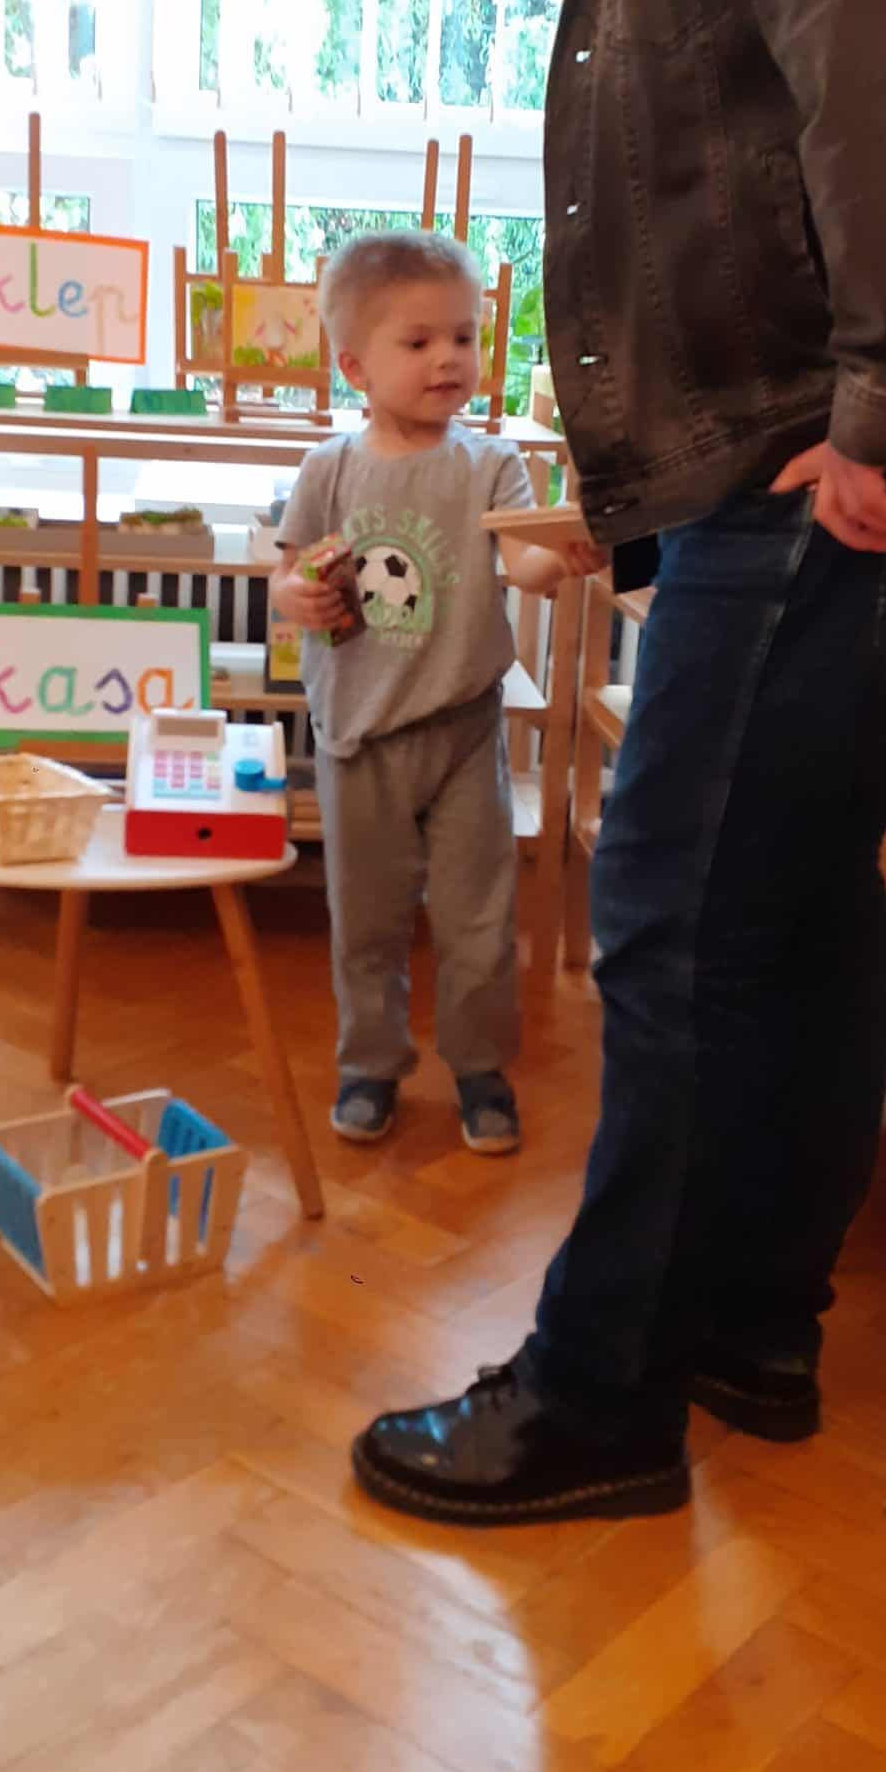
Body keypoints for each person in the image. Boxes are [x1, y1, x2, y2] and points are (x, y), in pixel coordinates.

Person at [349, 0, 886, 1527]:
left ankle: (599, 1400)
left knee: (669, 908)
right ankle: (746, 1328)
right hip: (787, 448)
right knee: (783, 904)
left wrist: (885, 393)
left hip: (820, 450)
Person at [272, 231, 586, 1153]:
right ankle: (370, 1064)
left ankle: (480, 1069)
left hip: (461, 730)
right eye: (418, 342)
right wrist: (295, 595)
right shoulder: (329, 468)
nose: (448, 358)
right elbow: (287, 576)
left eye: (463, 337)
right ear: (354, 366)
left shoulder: (490, 465)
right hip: (357, 736)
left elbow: (524, 564)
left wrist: (565, 556)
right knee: (365, 921)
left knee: (478, 919)